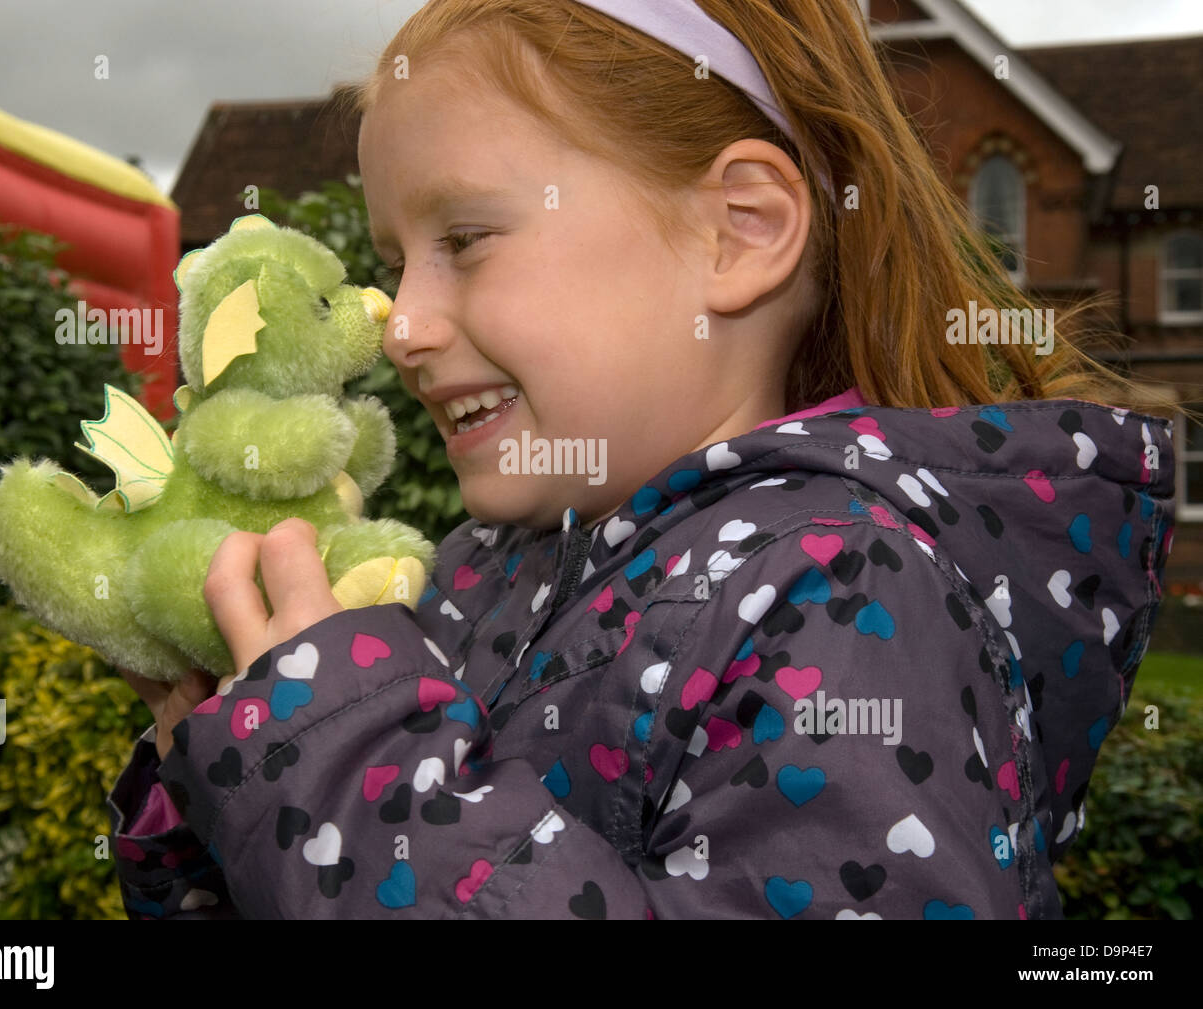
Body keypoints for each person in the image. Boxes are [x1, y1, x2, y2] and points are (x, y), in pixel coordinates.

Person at [107, 0, 1177, 919]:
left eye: (467, 239)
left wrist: (339, 760)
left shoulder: (845, 589)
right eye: (395, 264)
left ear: (738, 232)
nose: (401, 325)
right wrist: (228, 773)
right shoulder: (484, 567)